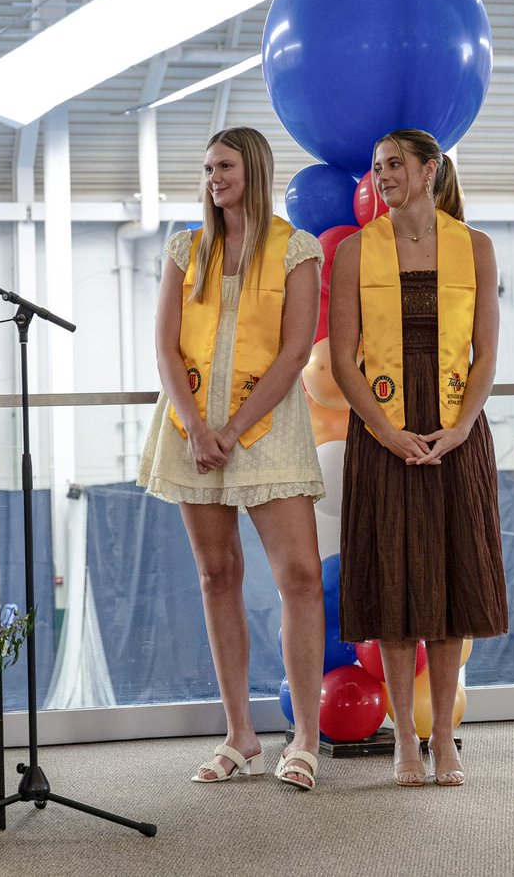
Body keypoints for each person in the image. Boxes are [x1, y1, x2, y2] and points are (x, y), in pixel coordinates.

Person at [137, 126, 325, 790]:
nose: (214, 177)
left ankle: (304, 738)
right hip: (192, 431)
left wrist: (236, 426)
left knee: (300, 576)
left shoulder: (297, 249)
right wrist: (194, 426)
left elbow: (296, 351)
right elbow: (165, 347)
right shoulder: (186, 248)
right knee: (217, 574)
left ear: (255, 169)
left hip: (268, 426)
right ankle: (239, 734)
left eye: (226, 165)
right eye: (208, 165)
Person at [328, 129, 508, 788]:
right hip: (384, 432)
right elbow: (343, 357)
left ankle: (443, 740)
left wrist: (461, 430)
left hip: (456, 429)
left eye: (395, 164)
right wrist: (380, 429)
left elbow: (485, 353)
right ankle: (405, 736)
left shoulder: (476, 247)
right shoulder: (353, 252)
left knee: (453, 582)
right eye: (376, 167)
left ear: (429, 170)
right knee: (397, 584)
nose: (383, 175)